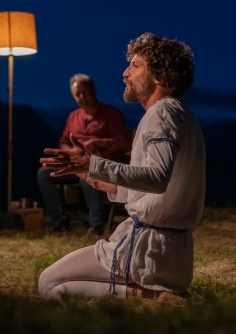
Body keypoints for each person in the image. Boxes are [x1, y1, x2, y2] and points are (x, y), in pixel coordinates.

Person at [38, 32, 205, 301]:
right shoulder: (182, 114)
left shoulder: (162, 112)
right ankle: (156, 294)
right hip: (172, 255)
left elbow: (156, 178)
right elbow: (161, 188)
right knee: (55, 282)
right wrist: (104, 183)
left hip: (147, 251)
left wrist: (94, 163)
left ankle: (146, 295)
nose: (125, 73)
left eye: (135, 66)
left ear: (160, 77)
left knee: (48, 283)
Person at [37, 73, 129, 234]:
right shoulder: (73, 116)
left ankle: (96, 224)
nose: (82, 97)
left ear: (94, 91)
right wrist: (70, 153)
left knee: (88, 173)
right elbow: (63, 140)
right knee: (44, 173)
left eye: (85, 92)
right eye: (77, 94)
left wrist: (98, 143)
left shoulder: (111, 114)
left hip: (101, 164)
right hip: (76, 163)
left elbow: (122, 142)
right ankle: (59, 220)